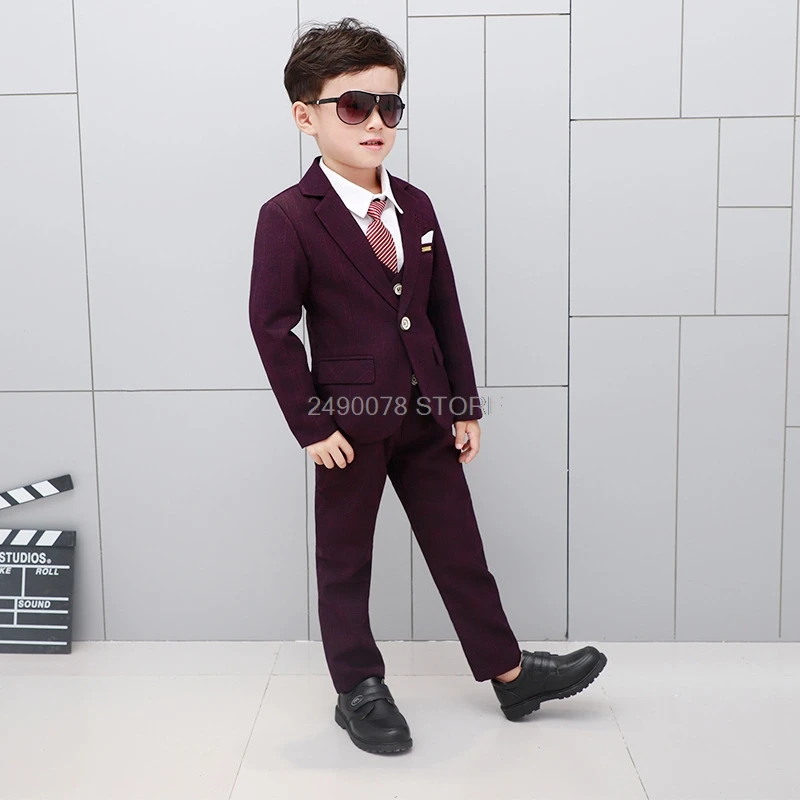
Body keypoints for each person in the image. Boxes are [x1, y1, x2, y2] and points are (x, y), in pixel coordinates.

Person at [249, 17, 607, 756]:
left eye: (390, 106)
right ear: (306, 116)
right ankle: (357, 686)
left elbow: (442, 310)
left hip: (425, 415)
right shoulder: (288, 217)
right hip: (349, 424)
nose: (376, 122)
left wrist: (463, 404)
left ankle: (510, 673)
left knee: (459, 547)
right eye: (355, 106)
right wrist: (313, 425)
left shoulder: (416, 206)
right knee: (345, 560)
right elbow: (273, 328)